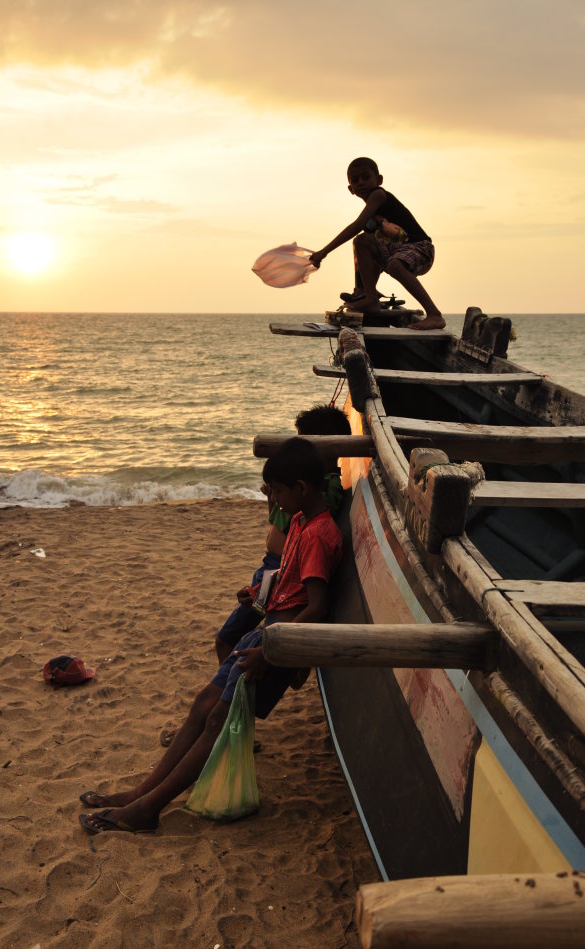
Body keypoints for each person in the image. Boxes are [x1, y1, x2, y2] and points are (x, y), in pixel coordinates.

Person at [79, 437, 343, 835]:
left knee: (218, 719)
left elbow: (317, 607)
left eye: (278, 492)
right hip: (265, 633)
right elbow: (291, 588)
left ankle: (149, 807)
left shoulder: (321, 534)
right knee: (203, 704)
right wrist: (257, 598)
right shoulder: (303, 523)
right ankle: (139, 794)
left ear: (302, 489)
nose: (275, 500)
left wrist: (270, 652)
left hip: (274, 643)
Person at [157, 402, 350, 748]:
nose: (298, 449)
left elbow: (311, 565)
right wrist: (274, 498)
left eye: (304, 444)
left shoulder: (325, 495)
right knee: (227, 640)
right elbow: (280, 522)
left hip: (285, 577)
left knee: (235, 642)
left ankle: (229, 721)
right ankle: (223, 717)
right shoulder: (298, 510)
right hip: (273, 572)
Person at [309, 157, 445, 331]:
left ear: (379, 180)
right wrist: (361, 290)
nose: (361, 183)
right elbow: (368, 253)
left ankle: (434, 314)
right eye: (355, 180)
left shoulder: (378, 195)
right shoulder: (371, 222)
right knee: (362, 241)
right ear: (351, 189)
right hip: (398, 251)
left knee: (393, 264)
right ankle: (368, 296)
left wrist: (324, 252)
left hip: (421, 249)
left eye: (366, 177)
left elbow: (355, 225)